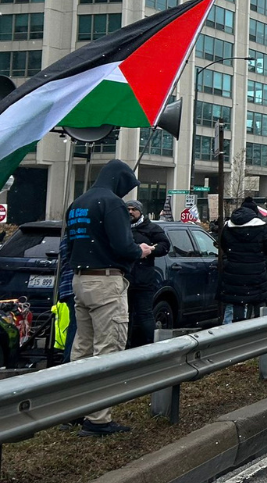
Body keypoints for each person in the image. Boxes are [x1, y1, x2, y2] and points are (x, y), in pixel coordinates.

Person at [66, 160, 152, 436]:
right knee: (108, 348)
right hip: (106, 281)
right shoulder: (112, 203)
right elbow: (123, 246)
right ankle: (98, 420)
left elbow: (67, 246)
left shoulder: (77, 204)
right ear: (119, 182)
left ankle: (74, 409)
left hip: (80, 279)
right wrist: (141, 250)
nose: (125, 196)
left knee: (82, 348)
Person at [217, 197, 267, 324]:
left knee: (237, 302)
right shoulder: (262, 227)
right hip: (256, 271)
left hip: (234, 272)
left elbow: (223, 244)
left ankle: (232, 334)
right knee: (258, 304)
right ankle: (259, 332)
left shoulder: (228, 226)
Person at [124, 200, 170, 348]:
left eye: (133, 209)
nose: (130, 212)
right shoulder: (120, 227)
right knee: (124, 315)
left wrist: (151, 250)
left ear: (140, 211)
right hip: (123, 279)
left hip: (143, 279)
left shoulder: (151, 228)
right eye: (128, 209)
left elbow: (164, 245)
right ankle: (125, 346)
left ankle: (149, 346)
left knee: (144, 314)